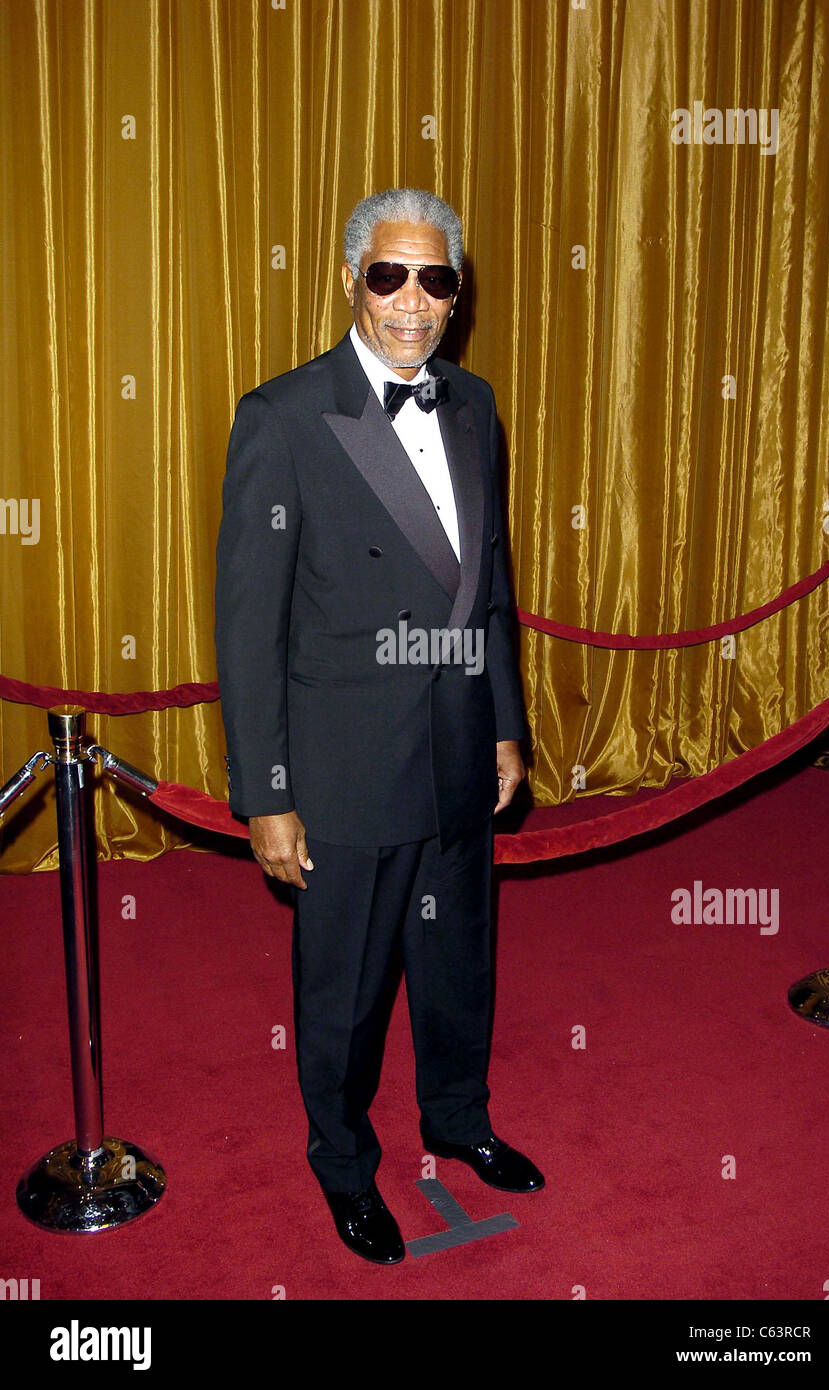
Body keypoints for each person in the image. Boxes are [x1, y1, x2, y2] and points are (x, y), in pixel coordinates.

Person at [214, 187, 544, 1265]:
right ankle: (343, 1161)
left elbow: (487, 583)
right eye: (389, 275)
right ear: (352, 279)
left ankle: (456, 1116)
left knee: (458, 965)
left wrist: (503, 723)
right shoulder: (284, 417)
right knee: (346, 988)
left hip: (455, 748)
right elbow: (248, 624)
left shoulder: (476, 406)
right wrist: (266, 791)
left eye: (435, 278)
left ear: (457, 292)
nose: (413, 301)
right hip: (346, 766)